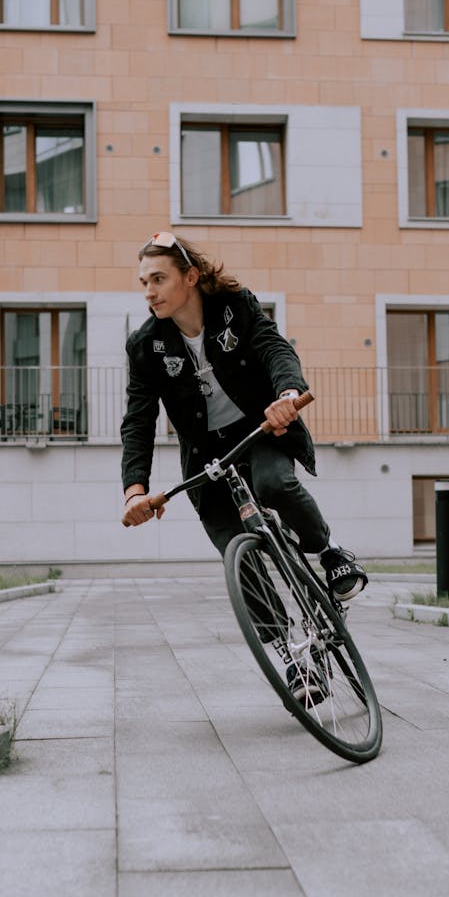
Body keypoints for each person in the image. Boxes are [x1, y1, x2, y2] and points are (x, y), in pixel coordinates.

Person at [121, 233, 368, 690]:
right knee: (237, 555)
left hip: (260, 429)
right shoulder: (145, 346)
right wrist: (135, 491)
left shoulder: (235, 304)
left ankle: (330, 553)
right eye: (143, 282)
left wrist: (287, 395)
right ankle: (293, 658)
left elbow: (275, 348)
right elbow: (138, 420)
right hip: (205, 457)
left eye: (159, 279)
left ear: (190, 277)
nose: (149, 291)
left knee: (275, 484)